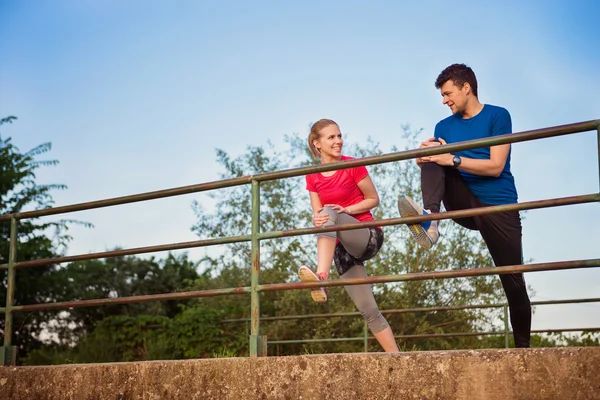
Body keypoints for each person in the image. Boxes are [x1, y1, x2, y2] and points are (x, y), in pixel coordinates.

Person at [397, 63, 532, 348]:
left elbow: (496, 166)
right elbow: (440, 165)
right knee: (433, 151)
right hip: (462, 199)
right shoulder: (444, 126)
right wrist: (425, 157)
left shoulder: (498, 115)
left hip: (499, 207)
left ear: (466, 87)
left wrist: (453, 159)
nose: (444, 101)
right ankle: (430, 220)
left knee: (513, 282)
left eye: (448, 94)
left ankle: (524, 352)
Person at [298, 118, 399, 352]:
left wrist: (347, 210)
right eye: (331, 137)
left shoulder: (352, 165)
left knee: (329, 211)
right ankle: (397, 358)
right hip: (341, 246)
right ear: (317, 144)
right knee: (368, 310)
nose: (338, 141)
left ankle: (321, 277)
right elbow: (318, 215)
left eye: (339, 136)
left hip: (366, 235)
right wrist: (317, 218)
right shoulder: (312, 176)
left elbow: (373, 199)